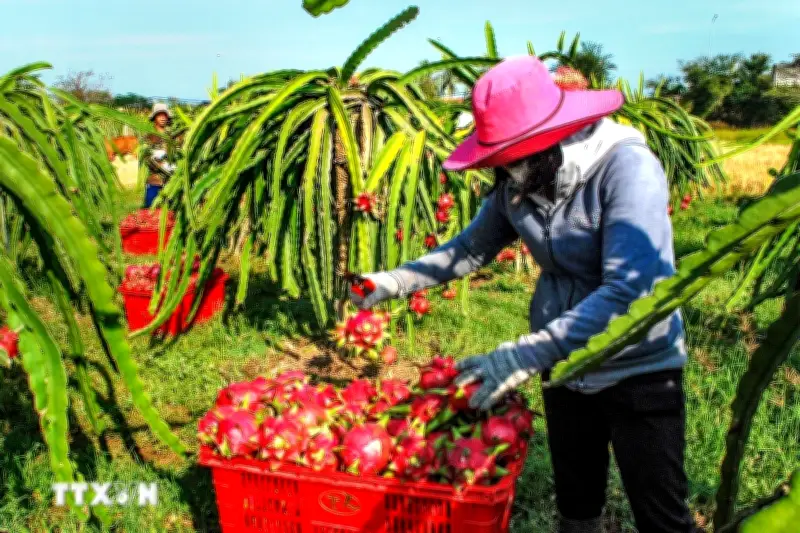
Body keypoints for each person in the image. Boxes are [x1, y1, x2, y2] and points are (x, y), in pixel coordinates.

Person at [350, 56, 695, 533]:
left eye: (512, 158)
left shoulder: (627, 169)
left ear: (552, 138)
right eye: (497, 161)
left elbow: (631, 290)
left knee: (661, 515)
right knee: (577, 501)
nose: (505, 174)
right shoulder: (522, 180)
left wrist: (522, 355)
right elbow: (471, 248)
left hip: (637, 367)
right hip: (563, 365)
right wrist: (392, 281)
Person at [141, 102, 178, 208]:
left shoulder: (173, 136)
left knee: (171, 214)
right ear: (154, 117)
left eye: (164, 115)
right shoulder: (149, 137)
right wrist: (160, 163)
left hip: (171, 181)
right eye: (159, 115)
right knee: (151, 213)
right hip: (154, 181)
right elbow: (146, 157)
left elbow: (178, 154)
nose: (162, 117)